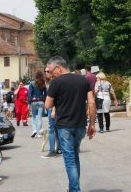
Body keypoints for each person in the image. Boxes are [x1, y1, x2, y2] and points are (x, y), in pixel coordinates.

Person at [45, 56, 96, 192]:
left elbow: (47, 105)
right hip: (80, 125)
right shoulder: (83, 80)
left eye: (50, 71)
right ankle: (73, 187)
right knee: (75, 156)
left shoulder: (56, 83)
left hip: (64, 126)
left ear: (59, 67)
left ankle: (74, 189)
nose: (50, 74)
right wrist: (92, 124)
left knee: (69, 159)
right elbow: (91, 103)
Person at [42, 67, 61, 158]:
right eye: (45, 71)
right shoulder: (49, 82)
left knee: (51, 130)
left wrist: (53, 110)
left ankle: (52, 151)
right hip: (53, 108)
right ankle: (59, 148)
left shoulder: (54, 82)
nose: (46, 73)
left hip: (54, 109)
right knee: (56, 129)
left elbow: (55, 97)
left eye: (48, 71)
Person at [28, 71, 47, 138]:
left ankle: (34, 130)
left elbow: (29, 94)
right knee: (39, 118)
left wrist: (29, 102)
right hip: (41, 101)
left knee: (33, 117)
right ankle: (39, 133)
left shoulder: (31, 83)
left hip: (33, 101)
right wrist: (44, 100)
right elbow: (46, 94)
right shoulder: (43, 83)